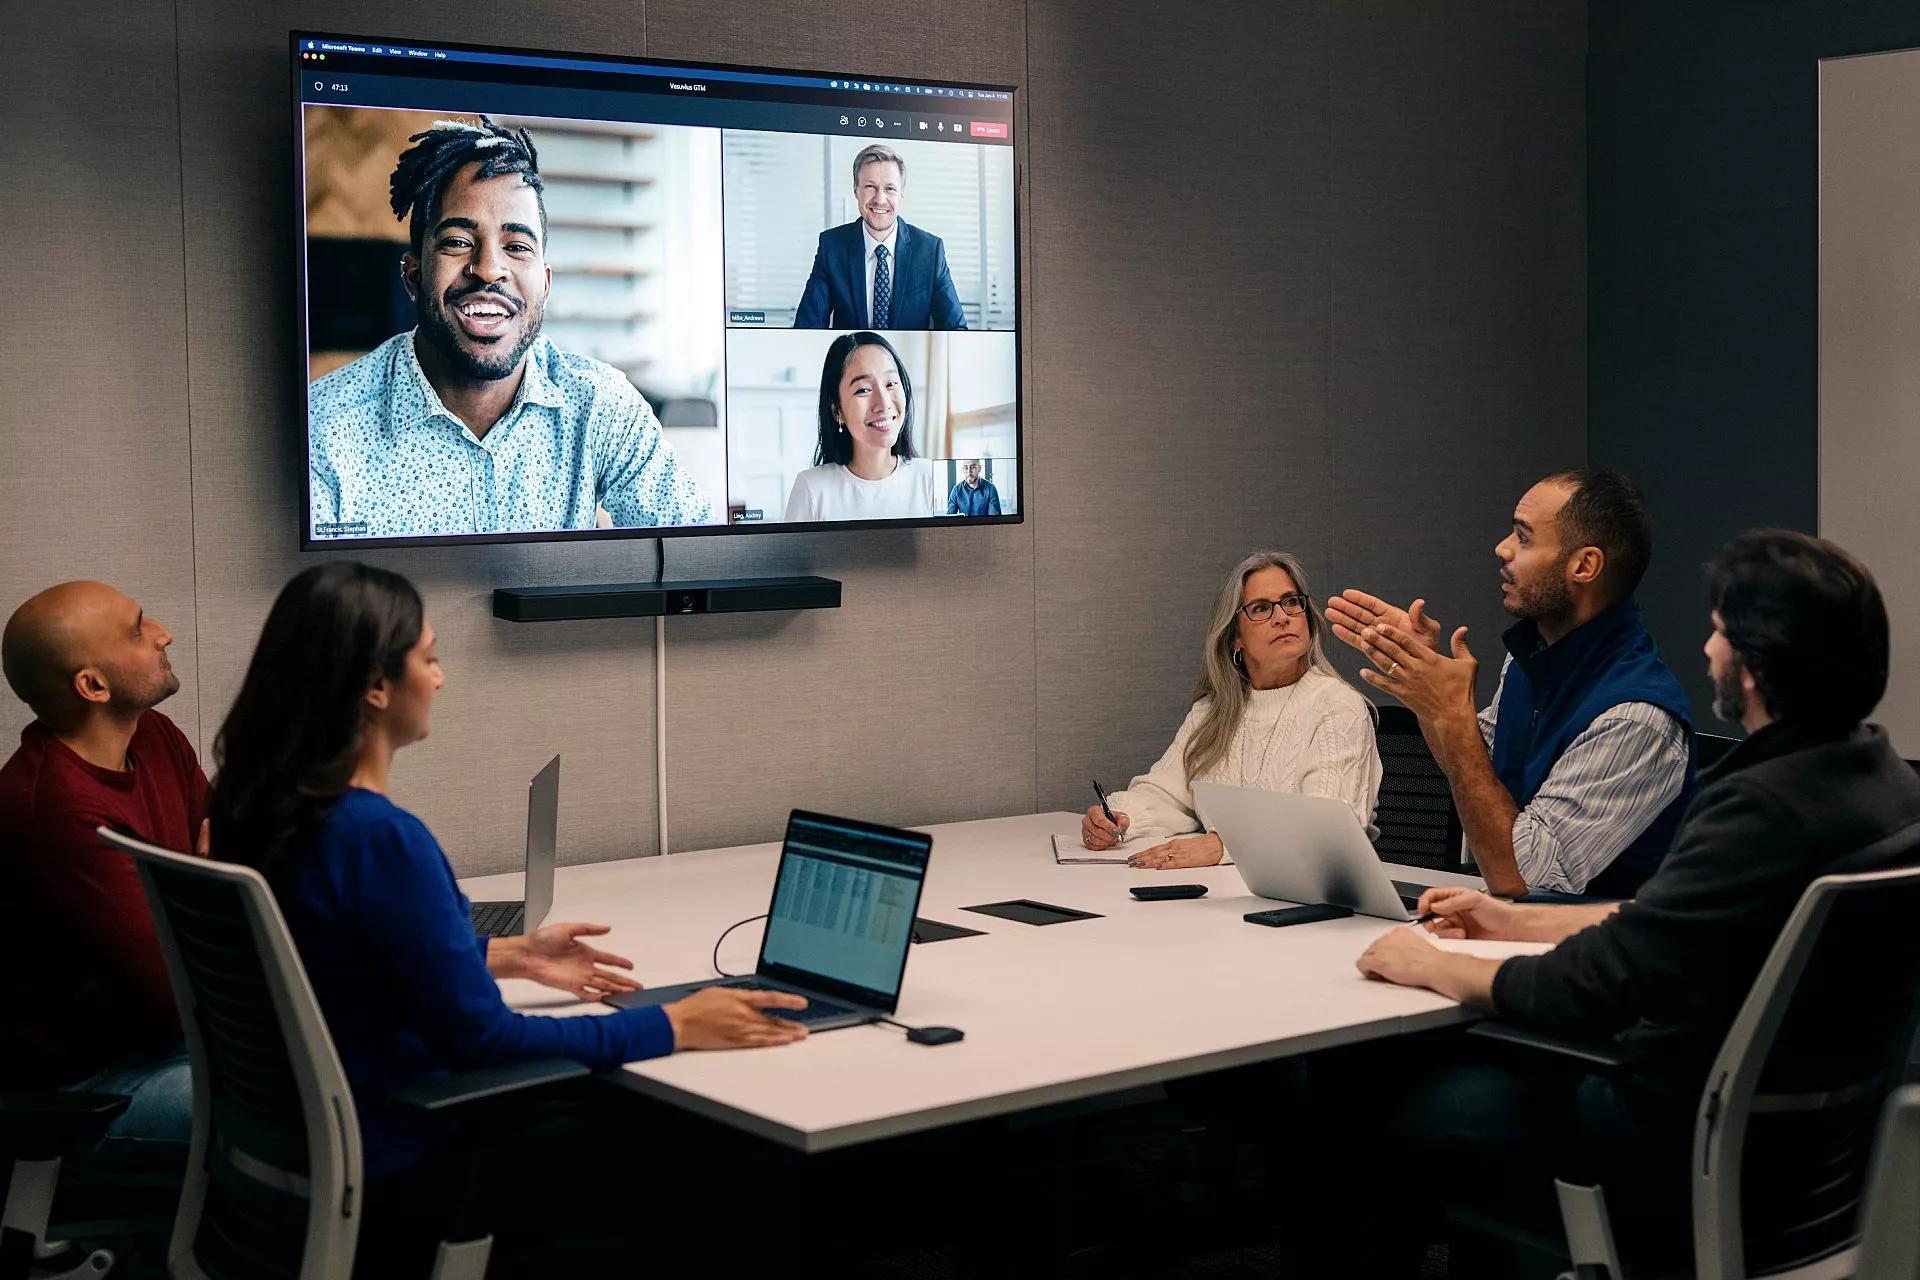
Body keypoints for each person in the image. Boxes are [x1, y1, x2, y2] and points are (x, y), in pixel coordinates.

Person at [1342, 530, 1920, 1272]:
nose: (1708, 650)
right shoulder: (1879, 787)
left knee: (1362, 1109)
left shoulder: (1760, 809)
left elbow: (1586, 986)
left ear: (1757, 662)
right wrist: (1515, 918)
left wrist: (1423, 963)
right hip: (1799, 1161)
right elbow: (1680, 923)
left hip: (1654, 1142)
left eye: (1718, 632)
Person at [207, 562, 809, 1270]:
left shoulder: (254, 808)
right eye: (428, 659)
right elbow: (484, 1044)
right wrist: (674, 1023)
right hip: (413, 1158)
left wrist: (508, 956)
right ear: (375, 687)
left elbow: (330, 958)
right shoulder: (378, 838)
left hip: (297, 1161)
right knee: (711, 1145)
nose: (440, 678)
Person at [308, 116, 714, 539]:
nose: (488, 270)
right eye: (459, 242)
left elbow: (698, 555)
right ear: (413, 276)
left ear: (546, 283)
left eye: (517, 247)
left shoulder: (599, 405)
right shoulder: (326, 426)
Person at [1327, 469, 1693, 899]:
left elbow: (1522, 877)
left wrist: (1451, 712)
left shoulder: (1636, 719)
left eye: (1523, 537)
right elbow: (1475, 771)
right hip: (1507, 919)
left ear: (1585, 565)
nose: (1501, 548)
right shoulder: (1533, 657)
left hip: (1598, 951)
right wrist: (1428, 690)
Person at [0, 582, 205, 1164]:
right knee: (338, 1094)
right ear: (93, 686)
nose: (163, 632)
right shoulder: (59, 810)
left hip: (173, 1044)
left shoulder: (154, 737)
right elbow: (188, 992)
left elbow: (247, 863)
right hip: (85, 1095)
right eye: (138, 629)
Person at [1083, 551, 1382, 868]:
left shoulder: (1337, 707)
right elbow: (1167, 796)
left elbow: (1329, 832)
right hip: (1224, 894)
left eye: (1291, 602)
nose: (1282, 616)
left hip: (1316, 902)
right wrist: (1117, 819)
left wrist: (1223, 846)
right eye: (1261, 608)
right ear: (1235, 638)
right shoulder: (1213, 710)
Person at [793, 144, 967, 330]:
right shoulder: (831, 247)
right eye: (870, 186)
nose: (880, 199)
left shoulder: (930, 251)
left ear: (901, 193)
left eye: (890, 188)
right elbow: (807, 329)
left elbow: (956, 331)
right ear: (855, 190)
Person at [784, 331, 941, 522]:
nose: (883, 403)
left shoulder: (933, 478)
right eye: (863, 390)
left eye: (891, 383)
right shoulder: (811, 489)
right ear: (837, 411)